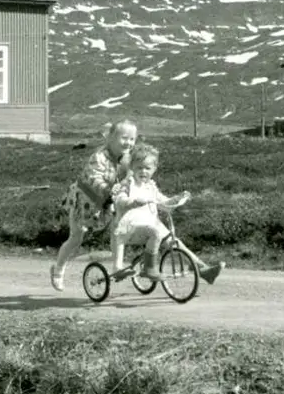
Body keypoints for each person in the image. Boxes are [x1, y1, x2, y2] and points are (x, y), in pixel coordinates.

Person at [109, 142, 223, 285]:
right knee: (155, 232)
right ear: (132, 167)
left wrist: (177, 198)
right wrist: (133, 201)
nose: (143, 171)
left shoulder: (150, 186)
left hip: (149, 226)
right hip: (129, 228)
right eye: (139, 168)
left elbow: (163, 202)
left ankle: (202, 269)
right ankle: (149, 268)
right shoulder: (128, 184)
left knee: (175, 242)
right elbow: (119, 199)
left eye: (147, 168)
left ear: (154, 169)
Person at [49, 119, 137, 292]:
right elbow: (93, 177)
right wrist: (109, 189)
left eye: (132, 139)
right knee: (76, 237)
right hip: (85, 200)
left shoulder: (127, 157)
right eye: (124, 138)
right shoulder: (99, 157)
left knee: (117, 228)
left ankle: (117, 266)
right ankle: (58, 270)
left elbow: (132, 174)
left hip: (106, 200)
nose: (128, 142)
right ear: (111, 137)